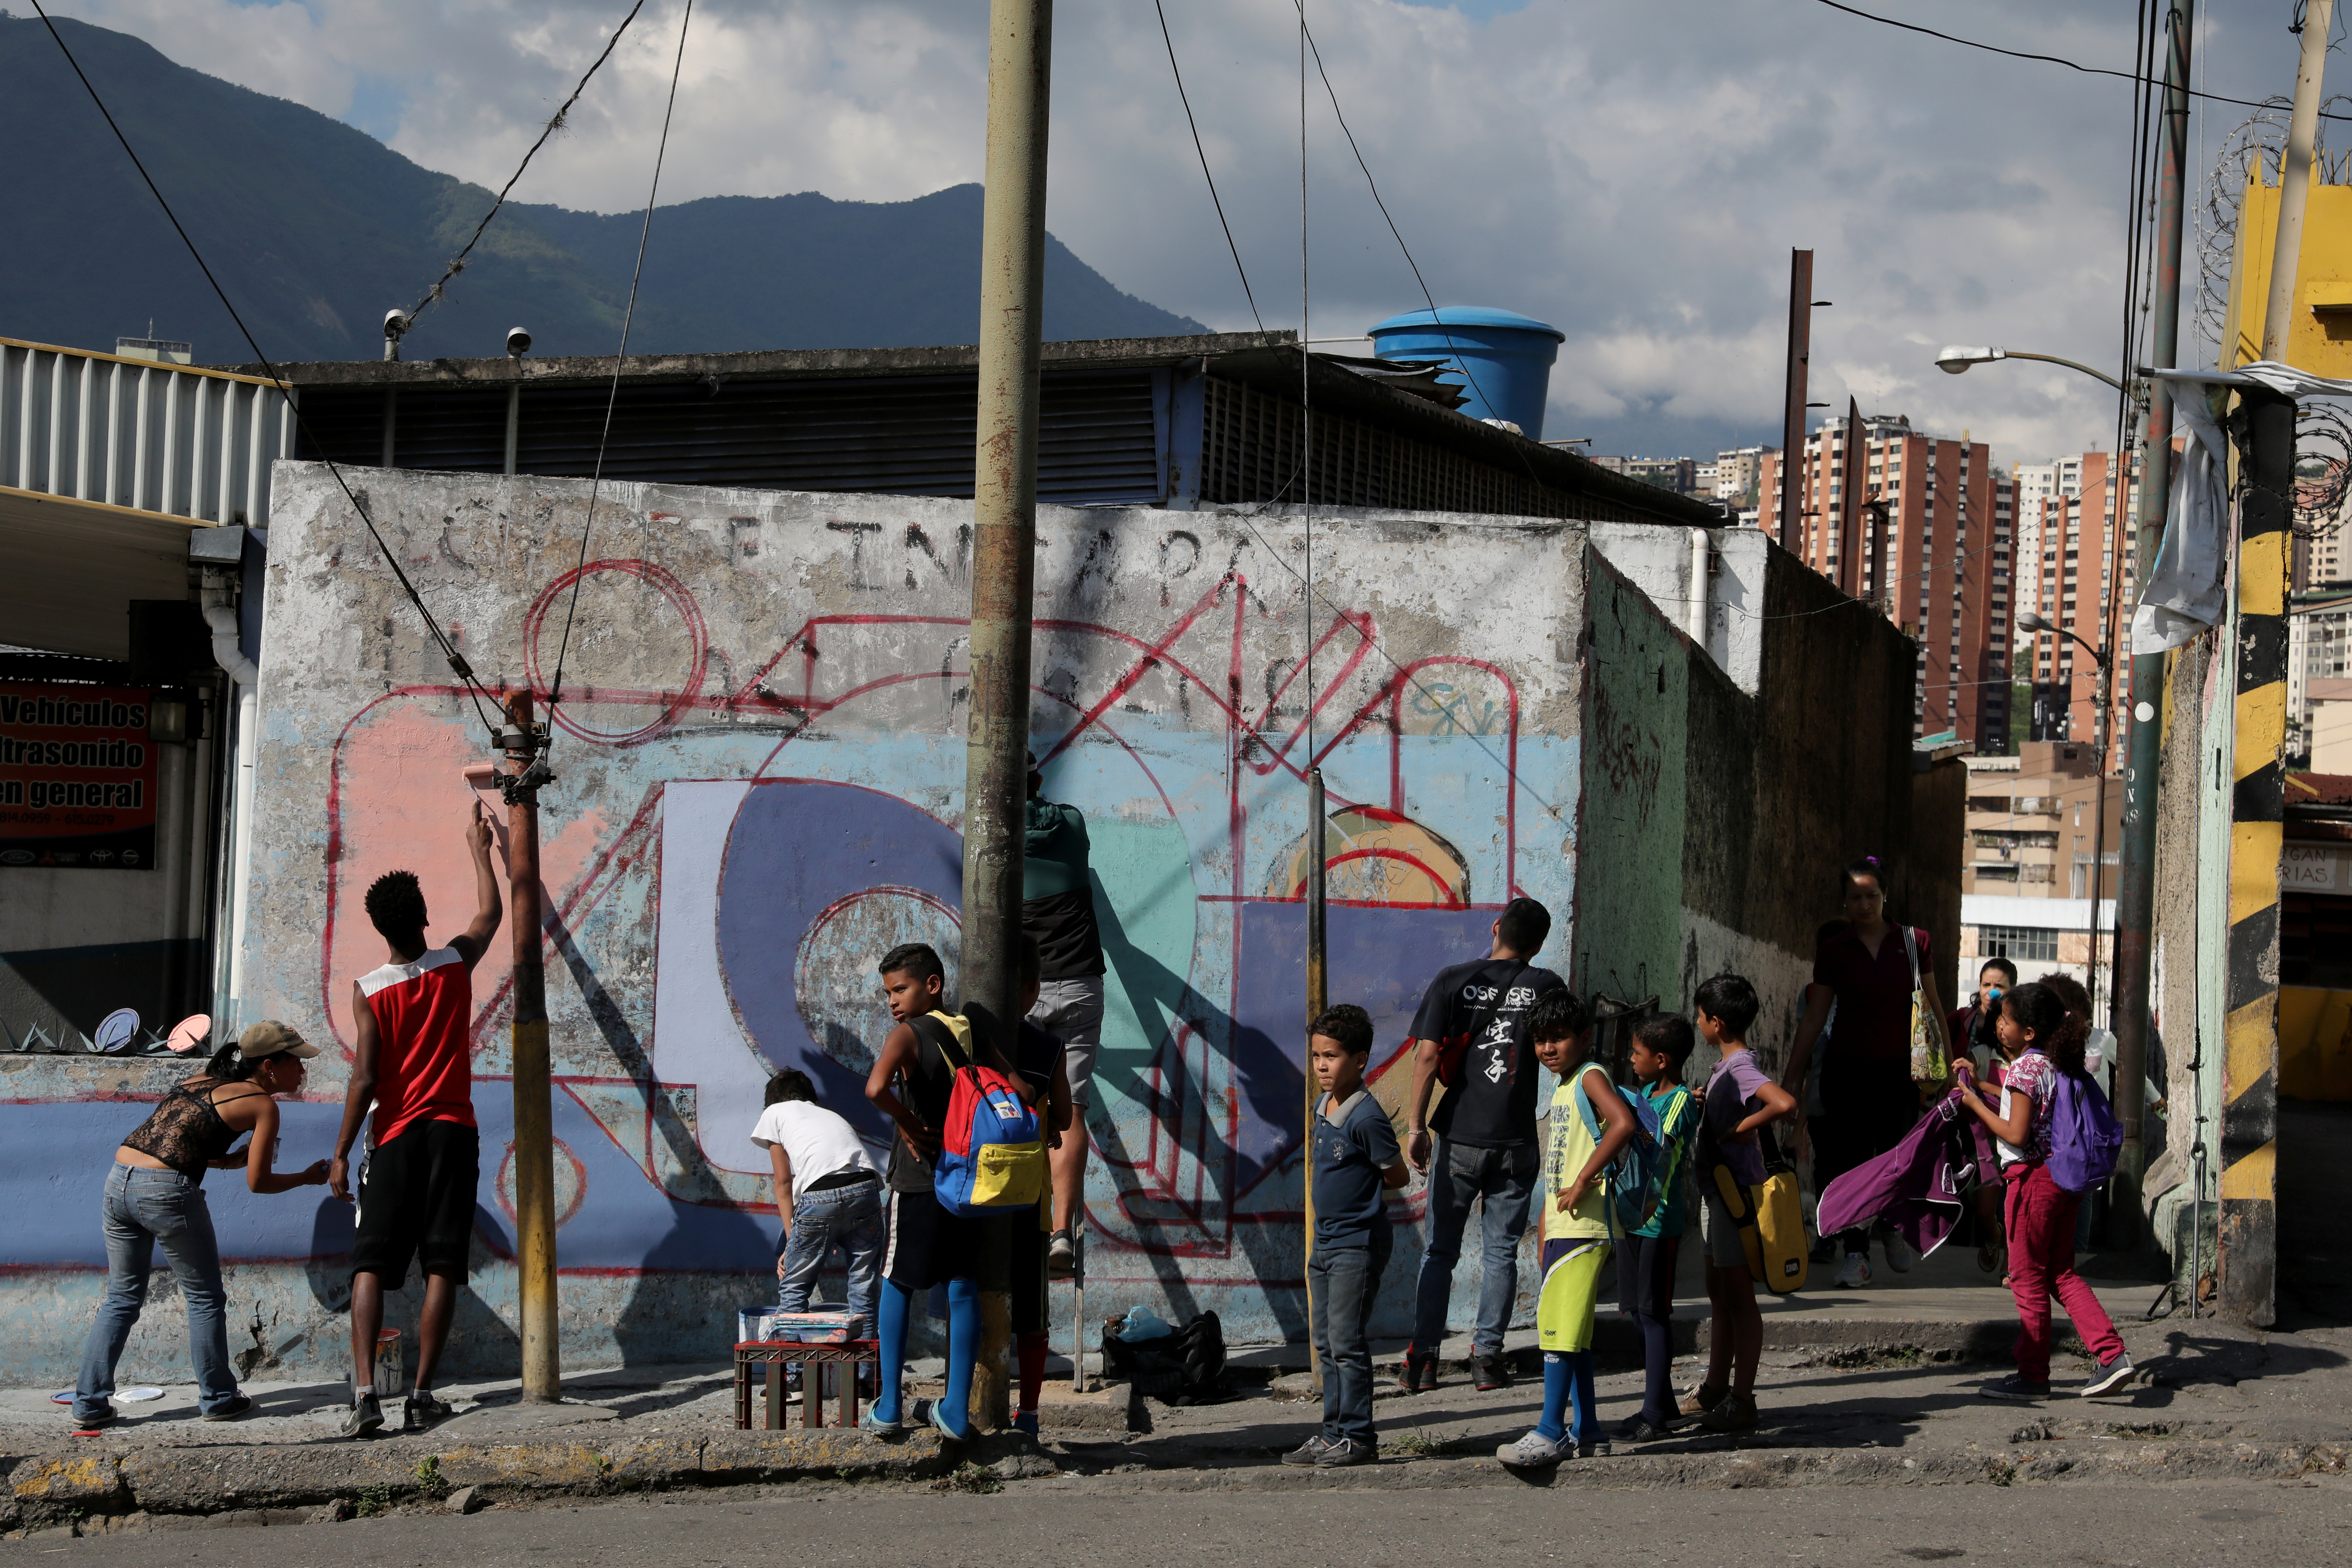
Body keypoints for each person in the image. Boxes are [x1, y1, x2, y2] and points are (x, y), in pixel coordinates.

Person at [329, 804, 504, 1438]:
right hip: (452, 1132)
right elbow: (490, 917)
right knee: (441, 1266)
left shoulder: (368, 990)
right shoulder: (452, 966)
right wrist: (479, 850)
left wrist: (343, 1151)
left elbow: (366, 1078)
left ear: (378, 928)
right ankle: (424, 1394)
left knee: (371, 1266)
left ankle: (366, 1394)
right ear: (424, 918)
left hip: (396, 1137)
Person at [70, 1022, 329, 1429]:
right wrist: (308, 1178)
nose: (303, 1070)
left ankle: (89, 1403)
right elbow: (259, 1184)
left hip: (119, 1179)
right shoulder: (263, 1105)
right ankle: (219, 1397)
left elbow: (168, 1143)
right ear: (269, 1067)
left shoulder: (200, 1079)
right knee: (205, 1298)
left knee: (121, 1297)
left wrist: (227, 1160)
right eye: (297, 1061)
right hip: (167, 1193)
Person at [1398, 896, 1568, 1393]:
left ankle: (1423, 1360)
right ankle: (1488, 1359)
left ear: (1496, 927)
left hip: (1461, 1138)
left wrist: (1416, 1127)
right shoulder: (1547, 986)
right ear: (1538, 945)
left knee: (1439, 1253)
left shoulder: (1453, 979)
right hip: (1516, 1140)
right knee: (1501, 1253)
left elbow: (1428, 1057)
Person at [861, 941, 1025, 1442]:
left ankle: (889, 1405)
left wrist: (909, 1123)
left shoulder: (906, 1035)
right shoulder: (971, 1030)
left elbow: (874, 1090)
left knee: (897, 1282)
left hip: (918, 1181)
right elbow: (1016, 1088)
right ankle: (955, 1410)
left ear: (931, 985)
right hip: (968, 1181)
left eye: (900, 988)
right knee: (961, 1285)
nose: (892, 1000)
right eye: (888, 992)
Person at [1952, 981, 2134, 1402]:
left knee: (2026, 1277)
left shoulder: (2022, 1068)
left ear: (2028, 1031)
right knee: (2060, 1272)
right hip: (2061, 1179)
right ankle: (2111, 1355)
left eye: (2006, 1019)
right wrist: (1981, 1087)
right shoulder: (2054, 1063)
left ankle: (2032, 1374)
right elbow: (2029, 1109)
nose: (1998, 1026)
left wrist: (1973, 1104)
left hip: (2031, 1182)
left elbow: (2016, 1130)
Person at [1779, 857, 1942, 1289]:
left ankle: (1889, 1224)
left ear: (1885, 896)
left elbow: (1931, 1005)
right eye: (1855, 897)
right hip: (1845, 1069)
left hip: (1898, 1074)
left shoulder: (1913, 942)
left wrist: (1949, 1060)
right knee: (1847, 1165)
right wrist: (1791, 1080)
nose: (1864, 904)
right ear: (1844, 901)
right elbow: (1814, 1018)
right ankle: (1855, 1253)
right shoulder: (1834, 950)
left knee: (1894, 1160)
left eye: (1871, 895)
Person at [1495, 989, 1634, 1468]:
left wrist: (1582, 1180)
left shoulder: (1590, 1076)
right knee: (1575, 1333)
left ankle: (1551, 1431)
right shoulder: (1563, 1084)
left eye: (1559, 1038)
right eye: (1540, 1040)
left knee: (1556, 1331)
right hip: (1563, 1222)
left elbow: (1623, 1124)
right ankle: (1588, 1429)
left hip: (1585, 1223)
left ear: (1585, 1038)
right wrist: (1545, 1219)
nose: (1548, 1048)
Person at [1282, 1004, 1407, 1470]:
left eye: (1331, 1057)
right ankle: (1332, 1434)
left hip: (1358, 1244)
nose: (1321, 1066)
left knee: (1347, 1343)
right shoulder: (1322, 1105)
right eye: (1316, 1056)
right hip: (1326, 1245)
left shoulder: (1365, 1116)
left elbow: (1396, 1175)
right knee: (1327, 1344)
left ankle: (1358, 1437)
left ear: (1360, 1060)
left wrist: (1363, 1191)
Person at [1682, 974, 1799, 1433]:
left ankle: (1742, 1398)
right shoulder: (1724, 1070)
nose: (1697, 1022)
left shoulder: (1741, 1066)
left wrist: (1740, 1128)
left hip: (1735, 1198)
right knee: (1720, 1292)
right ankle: (1715, 1387)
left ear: (1717, 1022)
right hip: (1718, 1194)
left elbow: (1784, 1103)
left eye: (1700, 1016)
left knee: (1739, 1299)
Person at [751, 1067, 884, 1396]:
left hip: (820, 1196)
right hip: (867, 1190)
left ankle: (793, 1378)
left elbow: (784, 1183)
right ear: (810, 1097)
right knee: (863, 1288)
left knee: (794, 1286)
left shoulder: (775, 1113)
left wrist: (791, 1239)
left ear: (773, 1102)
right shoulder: (828, 1114)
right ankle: (865, 1380)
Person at [1022, 751, 1105, 1275]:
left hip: (1025, 993)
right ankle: (1060, 1231)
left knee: (1020, 1100)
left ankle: (1019, 1210)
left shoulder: (989, 839)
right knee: (1069, 1107)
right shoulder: (1072, 824)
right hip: (1079, 985)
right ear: (1038, 780)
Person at [1614, 1013, 1701, 1442]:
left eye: (1637, 1053)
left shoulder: (1682, 1100)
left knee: (1654, 1313)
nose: (1632, 1060)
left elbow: (1656, 1144)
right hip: (1631, 1215)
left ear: (1662, 1059)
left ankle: (1653, 1414)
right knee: (1636, 1311)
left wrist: (1623, 1114)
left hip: (1658, 1219)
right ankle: (1661, 1403)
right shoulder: (1645, 1092)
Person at [1008, 934, 1074, 1436]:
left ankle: (963, 1399)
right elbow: (1067, 1115)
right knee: (1032, 1309)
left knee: (973, 1297)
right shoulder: (1048, 1047)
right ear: (1033, 989)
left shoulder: (963, 1039)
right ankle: (1028, 1412)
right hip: (1029, 1201)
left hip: (968, 1198)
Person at [1951, 958, 2017, 1274]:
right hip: (1987, 1143)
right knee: (1985, 1209)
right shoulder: (1979, 1052)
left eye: (1999, 986)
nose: (1991, 992)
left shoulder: (2028, 1058)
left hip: (2020, 1142)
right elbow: (1960, 1084)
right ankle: (1994, 1235)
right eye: (1986, 985)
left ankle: (2012, 1266)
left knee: (2015, 1208)